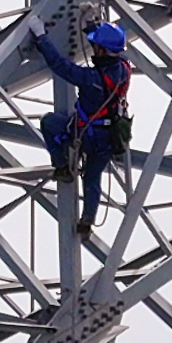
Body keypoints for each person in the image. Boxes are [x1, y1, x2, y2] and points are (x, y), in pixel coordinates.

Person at [50, 17, 130, 226]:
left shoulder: (92, 79)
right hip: (110, 140)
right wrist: (91, 29)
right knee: (92, 178)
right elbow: (104, 46)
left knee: (50, 124)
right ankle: (87, 222)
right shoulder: (123, 68)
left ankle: (62, 168)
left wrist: (42, 39)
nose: (93, 50)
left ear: (103, 50)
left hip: (88, 136)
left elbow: (61, 66)